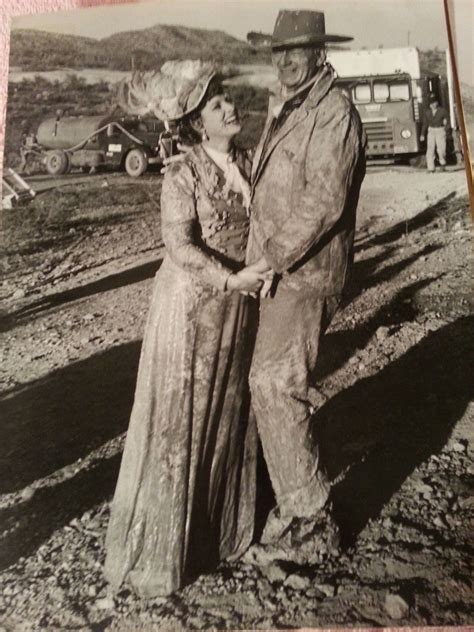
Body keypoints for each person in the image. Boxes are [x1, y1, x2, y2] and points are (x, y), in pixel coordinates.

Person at [104, 60, 272, 598]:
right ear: (198, 124)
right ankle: (163, 552)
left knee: (227, 413)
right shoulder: (182, 173)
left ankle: (215, 536)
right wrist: (234, 278)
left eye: (225, 97)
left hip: (238, 305)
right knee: (186, 418)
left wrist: (260, 273)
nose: (229, 106)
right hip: (190, 308)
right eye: (216, 103)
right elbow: (178, 246)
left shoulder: (249, 161)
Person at [243, 10, 366, 564]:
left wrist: (269, 259)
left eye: (297, 51)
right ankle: (291, 504)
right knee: (267, 384)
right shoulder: (289, 108)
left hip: (305, 274)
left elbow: (323, 202)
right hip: (278, 273)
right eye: (279, 51)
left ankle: (314, 519)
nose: (286, 60)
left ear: (320, 54)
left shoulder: (335, 113)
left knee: (274, 383)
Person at [420, 94, 448, 173]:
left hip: (440, 130)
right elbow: (425, 124)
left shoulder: (442, 111)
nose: (433, 105)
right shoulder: (427, 113)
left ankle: (443, 165)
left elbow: (447, 122)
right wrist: (422, 134)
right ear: (429, 105)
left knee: (441, 149)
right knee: (430, 149)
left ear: (437, 103)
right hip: (431, 131)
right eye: (431, 103)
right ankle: (431, 168)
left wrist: (445, 130)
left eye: (434, 103)